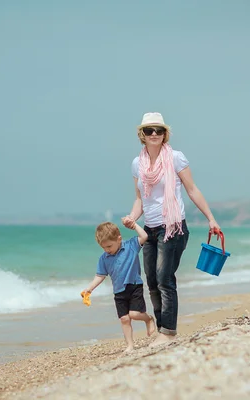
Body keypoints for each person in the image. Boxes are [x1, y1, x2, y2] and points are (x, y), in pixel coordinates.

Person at [122, 112, 221, 347]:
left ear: (165, 134)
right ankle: (161, 330)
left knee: (165, 278)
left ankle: (168, 332)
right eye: (149, 130)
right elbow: (140, 200)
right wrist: (131, 218)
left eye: (159, 130)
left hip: (174, 227)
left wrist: (211, 218)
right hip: (150, 229)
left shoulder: (176, 158)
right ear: (142, 135)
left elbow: (192, 189)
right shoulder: (138, 164)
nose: (154, 134)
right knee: (153, 281)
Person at [83, 220, 156, 353]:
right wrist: (90, 288)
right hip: (119, 292)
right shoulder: (104, 258)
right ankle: (130, 345)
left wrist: (134, 225)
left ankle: (149, 319)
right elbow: (100, 276)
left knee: (134, 314)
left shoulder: (131, 246)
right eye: (103, 247)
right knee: (124, 319)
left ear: (119, 239)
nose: (107, 250)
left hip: (134, 286)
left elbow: (144, 236)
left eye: (109, 246)